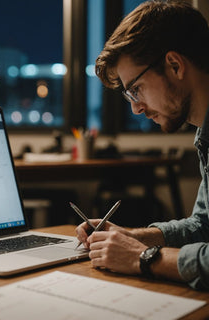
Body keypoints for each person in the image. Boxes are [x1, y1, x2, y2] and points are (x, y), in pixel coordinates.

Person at [76, 0, 209, 290]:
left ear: (174, 65)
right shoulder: (205, 136)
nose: (136, 109)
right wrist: (131, 237)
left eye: (136, 89)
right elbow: (203, 226)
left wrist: (144, 257)